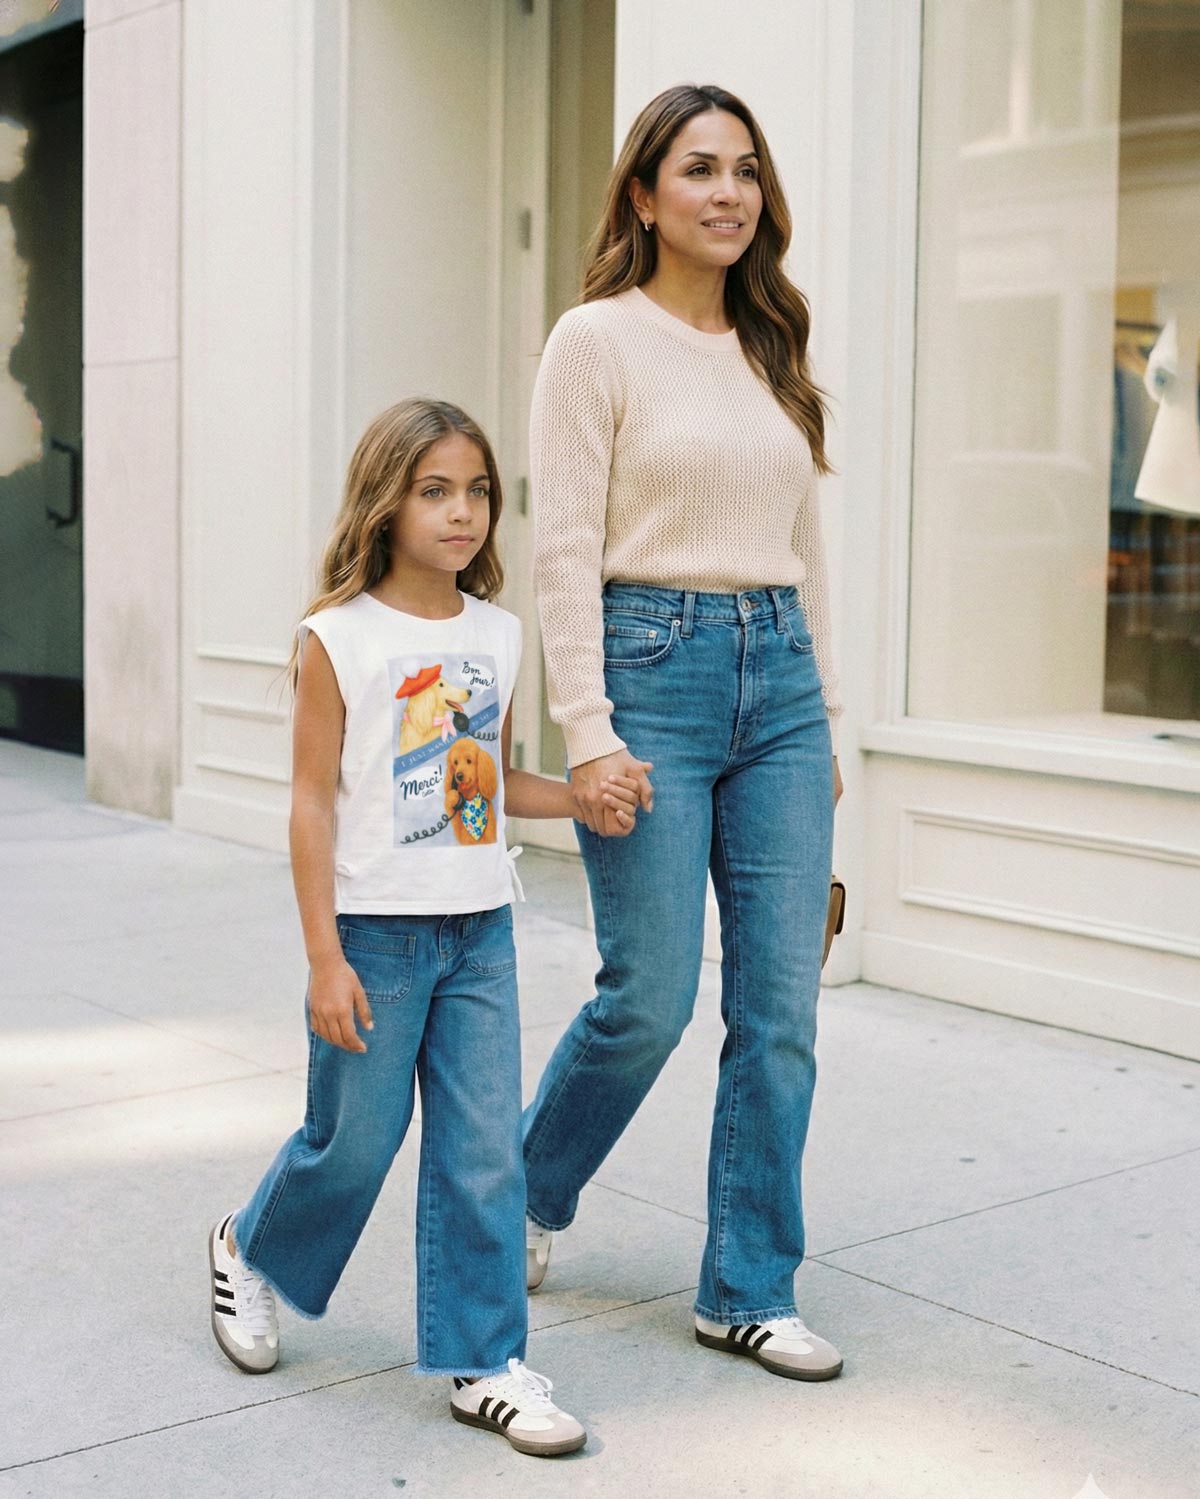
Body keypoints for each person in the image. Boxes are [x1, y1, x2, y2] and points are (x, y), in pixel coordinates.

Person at [207, 397, 642, 1457]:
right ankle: (249, 1247)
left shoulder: (496, 634)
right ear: (386, 501)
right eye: (434, 490)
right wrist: (324, 956)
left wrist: (580, 796)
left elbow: (480, 781)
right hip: (375, 936)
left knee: (483, 1151)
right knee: (354, 1141)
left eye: (479, 491)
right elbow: (311, 802)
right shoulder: (337, 637)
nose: (462, 513)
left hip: (478, 933)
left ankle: (483, 1359)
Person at [523, 84, 846, 1383]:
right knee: (647, 995)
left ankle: (747, 1284)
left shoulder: (773, 347)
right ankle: (524, 1188)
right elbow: (562, 547)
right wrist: (587, 728)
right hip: (649, 668)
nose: (728, 192)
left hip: (780, 679)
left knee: (780, 1010)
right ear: (645, 195)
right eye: (699, 169)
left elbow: (808, 553)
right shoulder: (593, 341)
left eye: (747, 171)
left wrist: (826, 729)